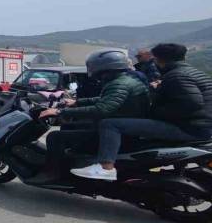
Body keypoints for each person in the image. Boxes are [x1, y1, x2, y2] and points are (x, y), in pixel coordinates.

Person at [61, 43, 212, 181]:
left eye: (155, 59)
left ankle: (106, 167)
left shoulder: (176, 76)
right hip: (202, 125)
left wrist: (155, 113)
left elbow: (192, 103)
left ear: (159, 60)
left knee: (109, 124)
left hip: (187, 127)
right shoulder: (195, 73)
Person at [39, 49, 151, 181]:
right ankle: (73, 164)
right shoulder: (128, 80)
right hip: (126, 126)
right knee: (69, 126)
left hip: (118, 132)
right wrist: (76, 102)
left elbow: (102, 109)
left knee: (54, 137)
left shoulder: (119, 84)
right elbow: (106, 99)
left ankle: (53, 173)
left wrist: (59, 112)